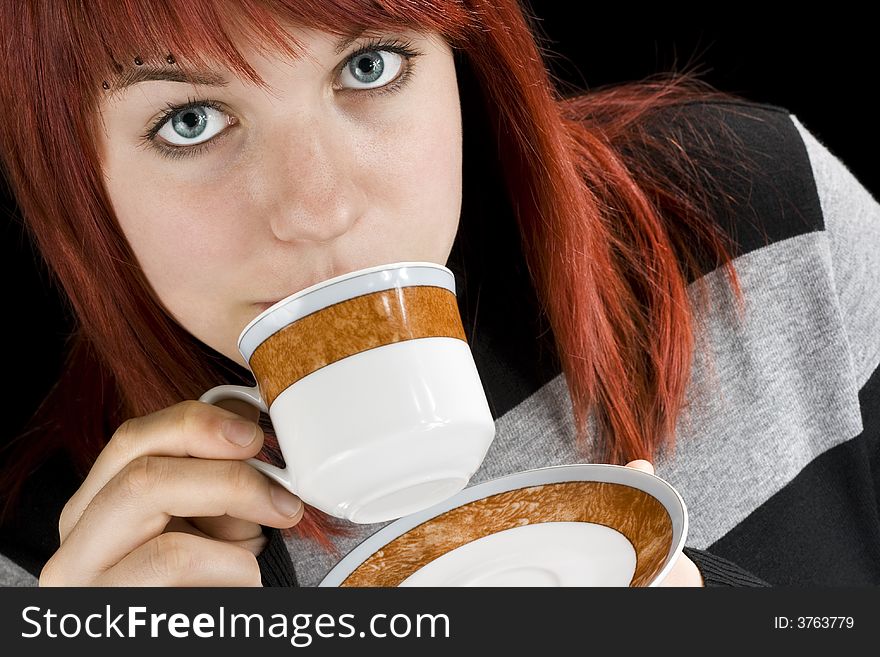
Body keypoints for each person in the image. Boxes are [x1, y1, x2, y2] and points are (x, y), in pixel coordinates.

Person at [1, 0, 877, 588]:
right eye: (189, 121)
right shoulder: (59, 563)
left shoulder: (761, 219)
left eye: (372, 64)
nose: (319, 206)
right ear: (80, 179)